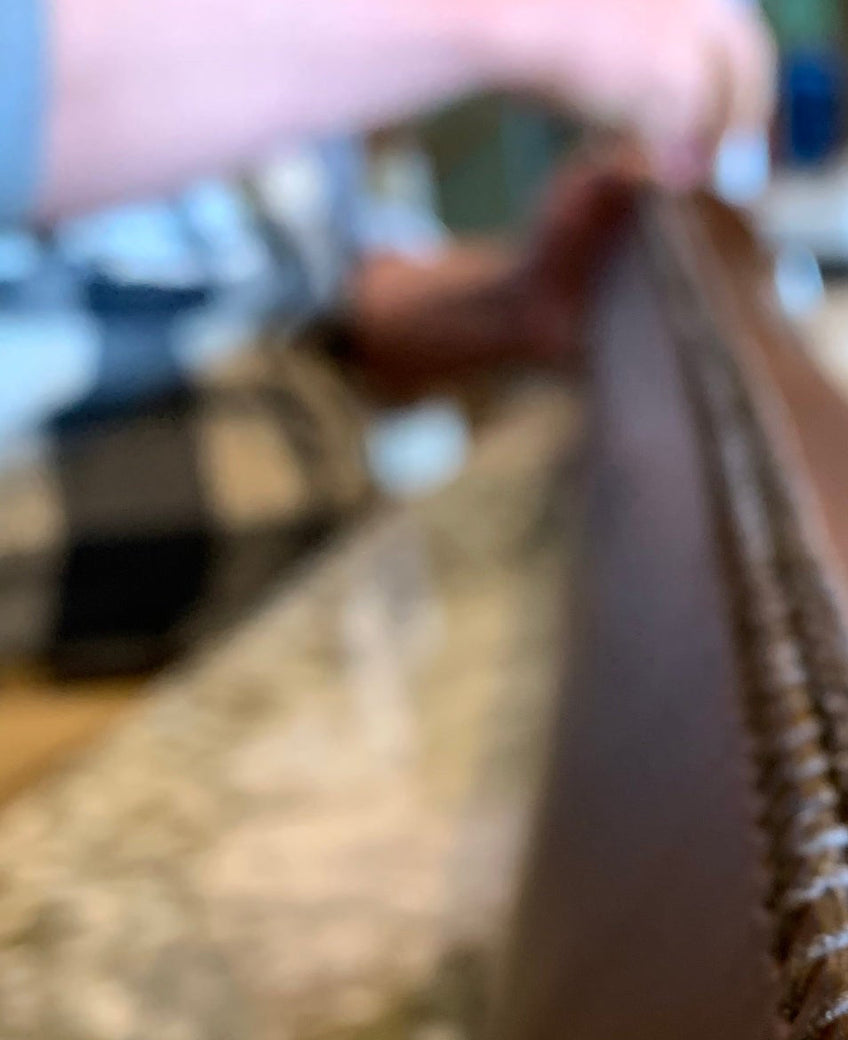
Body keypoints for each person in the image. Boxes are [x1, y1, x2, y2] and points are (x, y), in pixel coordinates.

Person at [0, 0, 775, 675]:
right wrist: (521, 17)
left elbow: (301, 292)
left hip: (289, 643)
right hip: (45, 710)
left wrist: (508, 305)